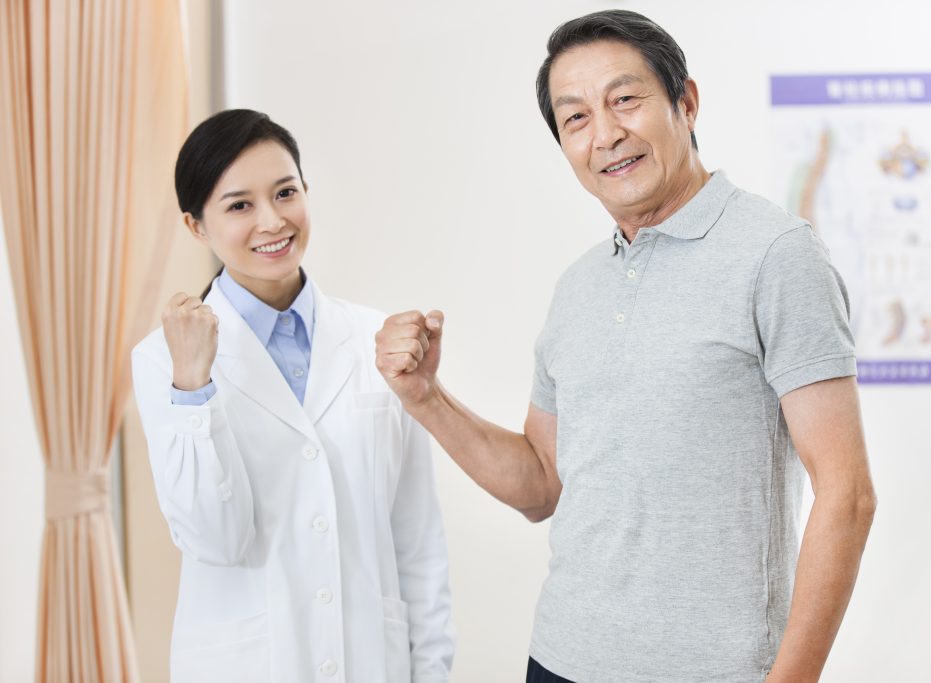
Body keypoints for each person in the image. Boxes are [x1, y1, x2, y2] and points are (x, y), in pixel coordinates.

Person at [375, 10, 875, 683]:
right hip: (560, 658)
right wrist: (425, 397)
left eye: (626, 100)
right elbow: (540, 484)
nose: (605, 134)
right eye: (575, 117)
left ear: (686, 102)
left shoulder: (776, 255)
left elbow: (845, 494)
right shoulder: (578, 286)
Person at [132, 109, 454, 683]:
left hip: (370, 664)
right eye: (239, 205)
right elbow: (214, 538)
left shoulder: (378, 340)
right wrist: (194, 388)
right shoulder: (164, 360)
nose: (272, 221)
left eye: (286, 193)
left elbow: (418, 542)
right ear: (195, 225)